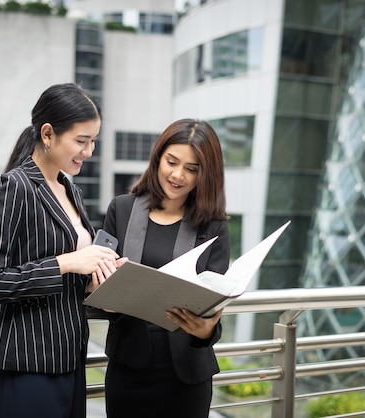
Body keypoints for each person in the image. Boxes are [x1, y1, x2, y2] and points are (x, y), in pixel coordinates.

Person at [0, 83, 120, 418]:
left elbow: (72, 275)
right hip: (28, 364)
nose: (89, 151)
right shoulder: (13, 187)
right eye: (81, 141)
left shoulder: (70, 189)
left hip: (70, 357)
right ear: (48, 134)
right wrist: (66, 263)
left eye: (93, 141)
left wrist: (99, 274)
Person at [99, 118, 230, 418]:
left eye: (192, 169)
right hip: (128, 368)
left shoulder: (215, 226)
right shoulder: (121, 209)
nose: (178, 175)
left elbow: (215, 298)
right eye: (171, 161)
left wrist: (207, 328)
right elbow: (102, 281)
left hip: (187, 374)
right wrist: (105, 293)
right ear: (158, 157)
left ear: (204, 174)